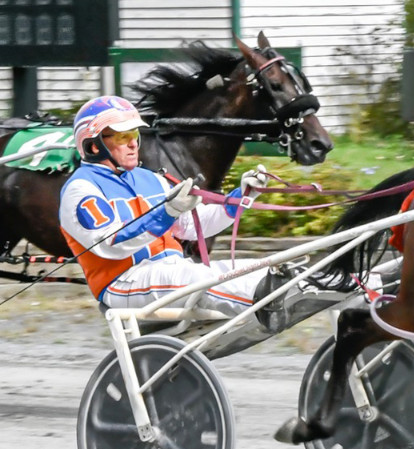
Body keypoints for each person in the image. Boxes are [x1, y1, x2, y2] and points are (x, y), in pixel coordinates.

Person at [58, 95, 285, 329]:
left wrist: (242, 196)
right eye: (122, 137)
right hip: (124, 283)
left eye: (134, 134)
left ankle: (291, 291)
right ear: (94, 145)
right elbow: (111, 243)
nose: (134, 143)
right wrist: (167, 212)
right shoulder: (81, 189)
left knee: (252, 269)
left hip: (171, 270)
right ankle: (268, 303)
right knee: (197, 280)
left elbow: (193, 226)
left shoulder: (151, 179)